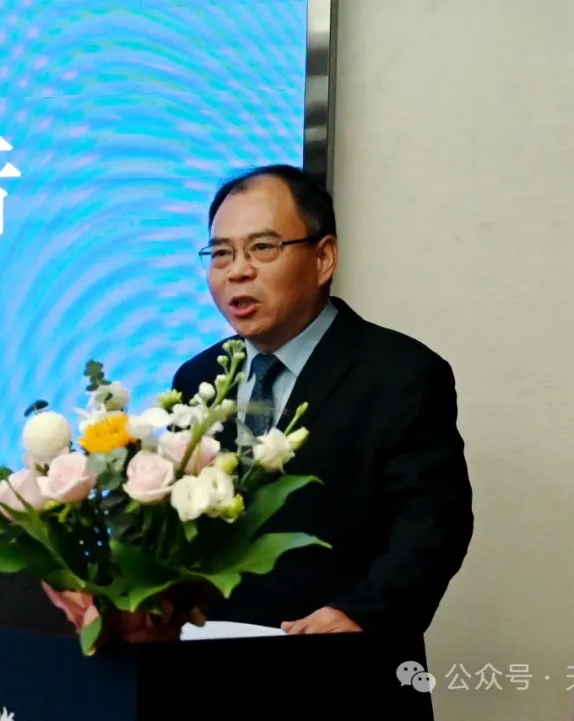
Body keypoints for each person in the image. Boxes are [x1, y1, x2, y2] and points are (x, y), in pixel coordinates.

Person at [171, 164, 474, 638]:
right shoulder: (197, 378)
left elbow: (434, 524)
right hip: (208, 656)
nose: (237, 270)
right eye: (222, 253)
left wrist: (362, 614)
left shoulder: (400, 374)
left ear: (324, 258)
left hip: (340, 660)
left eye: (262, 247)